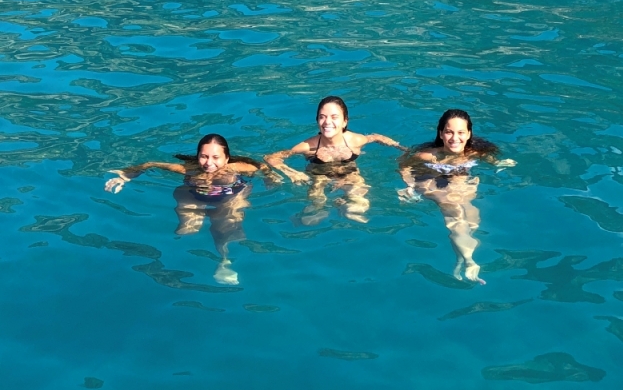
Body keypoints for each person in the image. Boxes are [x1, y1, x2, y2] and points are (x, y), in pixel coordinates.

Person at [104, 133, 281, 285]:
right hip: (194, 195)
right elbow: (150, 164)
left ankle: (225, 261)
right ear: (197, 156)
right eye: (204, 156)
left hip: (230, 197)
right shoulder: (188, 169)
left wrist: (270, 176)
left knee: (227, 225)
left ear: (227, 158)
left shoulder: (237, 167)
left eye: (216, 157)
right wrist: (125, 176)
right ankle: (184, 263)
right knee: (188, 230)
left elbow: (262, 166)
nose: (208, 163)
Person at [398, 109, 516, 285]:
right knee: (456, 216)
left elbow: (489, 158)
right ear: (441, 134)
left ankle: (460, 256)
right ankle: (469, 261)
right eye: (449, 132)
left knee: (471, 214)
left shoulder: (474, 153)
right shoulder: (427, 155)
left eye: (461, 132)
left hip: (457, 183)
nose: (455, 138)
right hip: (431, 182)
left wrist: (499, 163)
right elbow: (404, 165)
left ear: (468, 134)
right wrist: (409, 186)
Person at [264, 96, 407, 225]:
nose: (327, 122)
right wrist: (292, 173)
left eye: (334, 117)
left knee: (358, 208)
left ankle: (342, 206)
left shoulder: (354, 141)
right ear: (317, 121)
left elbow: (375, 137)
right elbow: (271, 157)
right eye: (322, 117)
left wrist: (400, 147)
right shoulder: (308, 146)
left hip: (349, 175)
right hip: (319, 177)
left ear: (345, 121)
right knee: (312, 215)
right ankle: (323, 210)